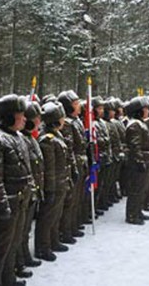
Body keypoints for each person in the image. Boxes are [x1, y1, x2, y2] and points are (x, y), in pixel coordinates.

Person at [0, 94, 31, 286]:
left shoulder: (17, 137)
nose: (25, 119)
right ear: (9, 116)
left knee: (12, 244)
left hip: (19, 200)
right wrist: (2, 206)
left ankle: (8, 279)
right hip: (6, 203)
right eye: (21, 115)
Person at [36, 102, 71, 260]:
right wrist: (49, 189)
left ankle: (53, 240)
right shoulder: (47, 140)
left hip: (60, 182)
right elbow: (48, 168)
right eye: (61, 118)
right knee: (47, 217)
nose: (64, 120)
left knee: (56, 215)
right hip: (54, 184)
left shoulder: (56, 135)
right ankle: (43, 247)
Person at [16, 101, 44, 279]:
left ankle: (23, 256)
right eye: (36, 119)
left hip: (32, 189)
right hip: (24, 190)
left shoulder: (31, 138)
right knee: (20, 230)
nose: (39, 121)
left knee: (25, 229)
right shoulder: (21, 140)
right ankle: (18, 262)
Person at [58, 90, 87, 239]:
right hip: (73, 162)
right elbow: (69, 148)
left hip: (81, 161)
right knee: (70, 200)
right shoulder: (67, 124)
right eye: (75, 104)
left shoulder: (77, 120)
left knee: (77, 197)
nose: (79, 106)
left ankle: (73, 224)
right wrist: (74, 166)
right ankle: (65, 230)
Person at [124, 96, 149, 225]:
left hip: (145, 160)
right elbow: (135, 146)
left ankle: (138, 211)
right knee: (136, 189)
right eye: (145, 109)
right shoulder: (134, 125)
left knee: (142, 188)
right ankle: (132, 214)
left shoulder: (140, 123)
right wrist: (139, 161)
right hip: (137, 163)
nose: (148, 111)